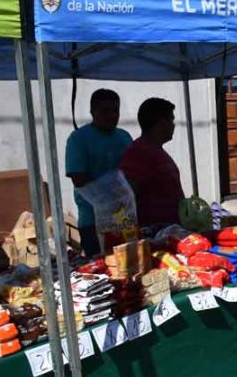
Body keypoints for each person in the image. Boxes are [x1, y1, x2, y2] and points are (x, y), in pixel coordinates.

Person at [65, 89, 132, 256]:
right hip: (93, 221)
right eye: (105, 110)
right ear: (92, 112)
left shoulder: (124, 137)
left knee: (130, 266)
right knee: (102, 270)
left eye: (115, 110)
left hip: (124, 218)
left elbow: (132, 171)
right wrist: (113, 186)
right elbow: (78, 178)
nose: (112, 115)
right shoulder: (78, 138)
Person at [119, 98, 184, 228]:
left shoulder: (156, 149)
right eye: (171, 119)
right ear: (161, 122)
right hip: (153, 234)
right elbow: (126, 197)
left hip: (169, 230)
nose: (174, 125)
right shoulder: (139, 152)